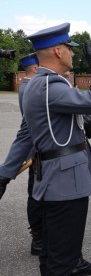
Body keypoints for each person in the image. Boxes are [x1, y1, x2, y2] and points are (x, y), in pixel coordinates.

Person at [22, 22, 91, 275]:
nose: (73, 53)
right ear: (59, 52)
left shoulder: (39, 84)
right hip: (65, 182)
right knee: (62, 260)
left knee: (54, 252)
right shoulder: (51, 87)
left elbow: (33, 132)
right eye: (69, 49)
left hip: (55, 178)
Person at [0, 53, 42, 255]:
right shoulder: (31, 89)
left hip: (35, 152)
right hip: (38, 153)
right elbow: (28, 131)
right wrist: (6, 172)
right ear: (35, 68)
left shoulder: (27, 86)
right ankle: (39, 240)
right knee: (36, 197)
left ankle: (39, 239)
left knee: (36, 196)